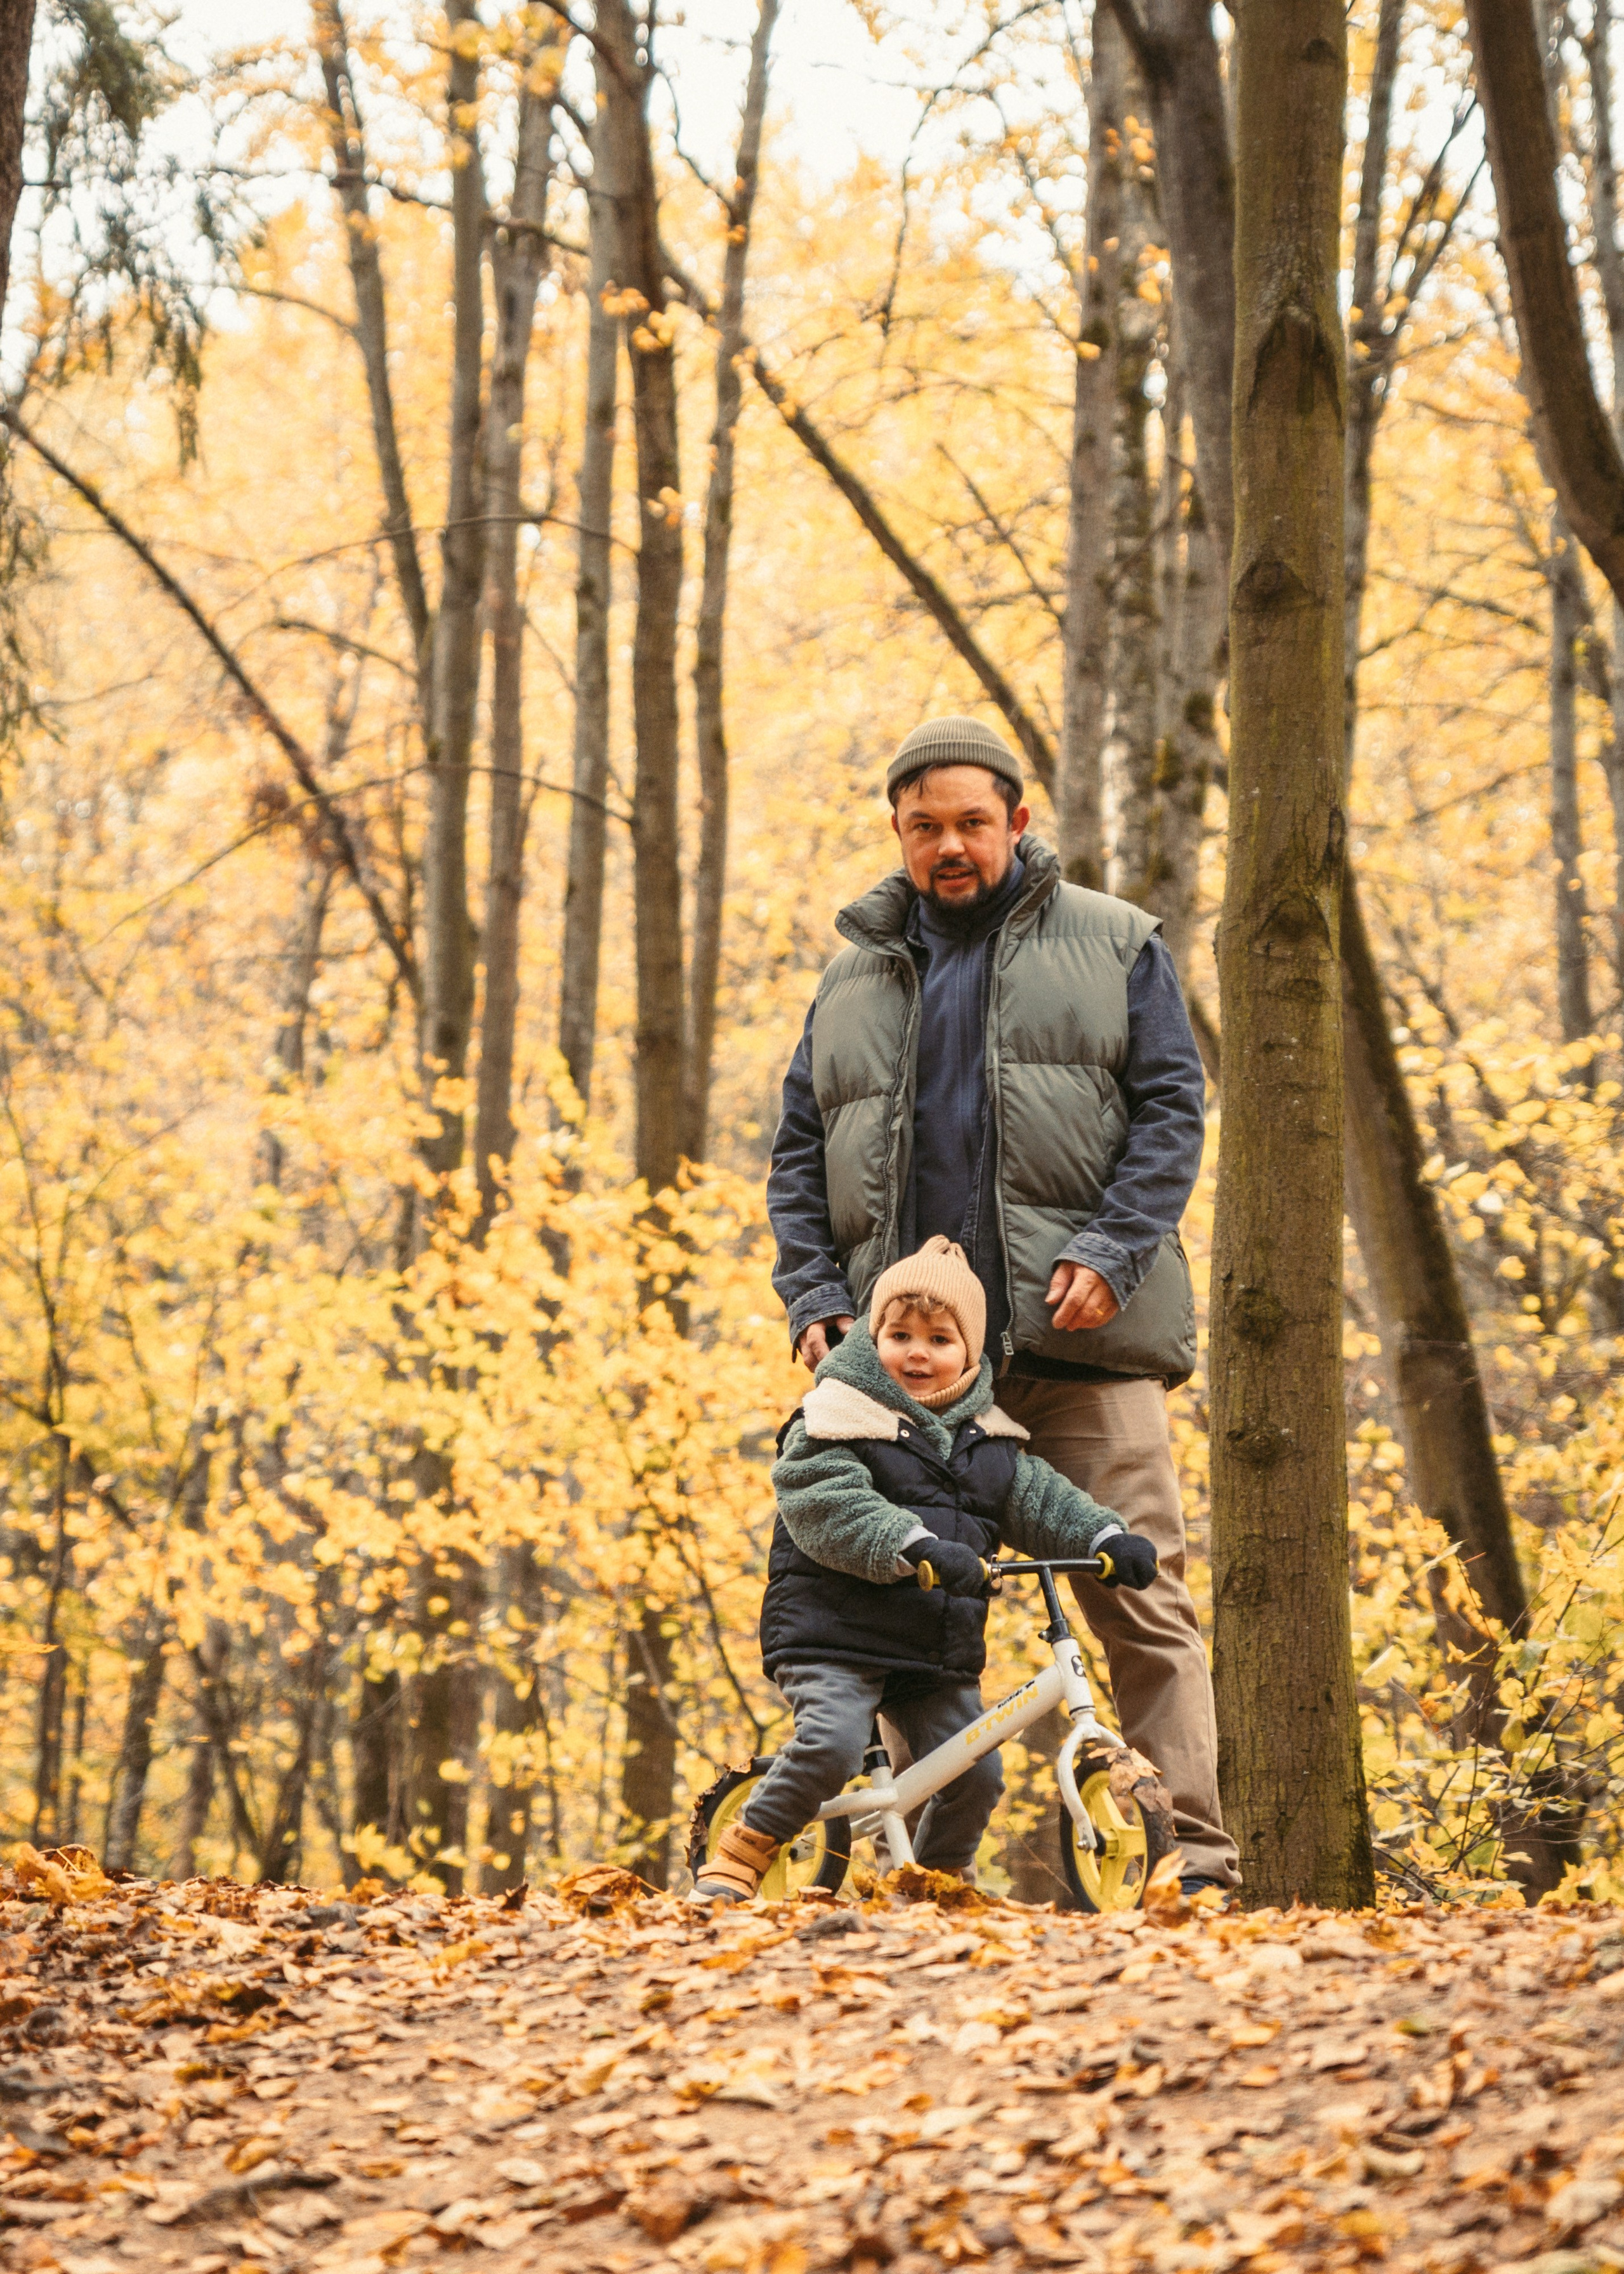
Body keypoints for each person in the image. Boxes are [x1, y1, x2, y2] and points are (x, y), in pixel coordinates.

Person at [765, 714, 1241, 1895]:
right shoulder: (851, 974)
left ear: (1019, 823)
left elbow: (1172, 1111)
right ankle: (902, 1868)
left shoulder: (1116, 941)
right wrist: (817, 1292)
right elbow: (795, 1152)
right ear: (898, 832)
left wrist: (1116, 1248)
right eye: (925, 826)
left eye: (973, 821)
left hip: (1085, 1343)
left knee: (1138, 1592)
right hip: (904, 1372)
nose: (950, 845)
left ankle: (1191, 1863)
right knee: (886, 1606)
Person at [694, 1238, 1155, 1902]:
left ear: (970, 1355)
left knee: (977, 1775)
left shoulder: (989, 1443)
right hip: (834, 1635)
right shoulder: (834, 1418)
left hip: (930, 1649)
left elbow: (1043, 1500)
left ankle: (933, 1884)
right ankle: (747, 1844)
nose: (917, 1351)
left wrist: (1108, 1535)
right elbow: (828, 1501)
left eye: (940, 1338)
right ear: (872, 1336)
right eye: (899, 1333)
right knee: (831, 1742)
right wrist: (913, 1544)